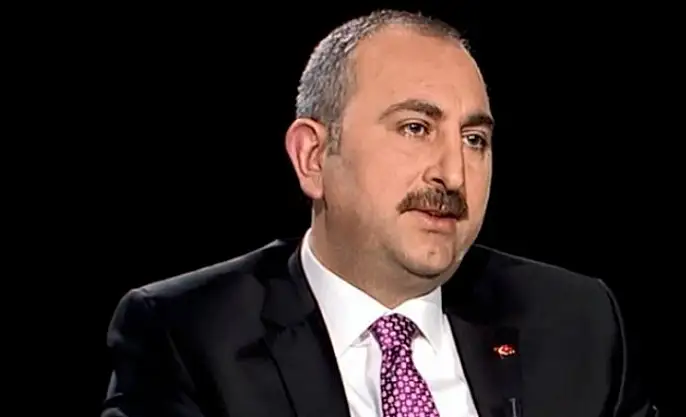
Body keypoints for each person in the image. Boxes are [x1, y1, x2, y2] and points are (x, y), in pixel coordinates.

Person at [102, 9, 657, 417]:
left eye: (474, 140)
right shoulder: (187, 336)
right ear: (313, 157)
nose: (454, 175)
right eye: (415, 128)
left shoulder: (576, 322)